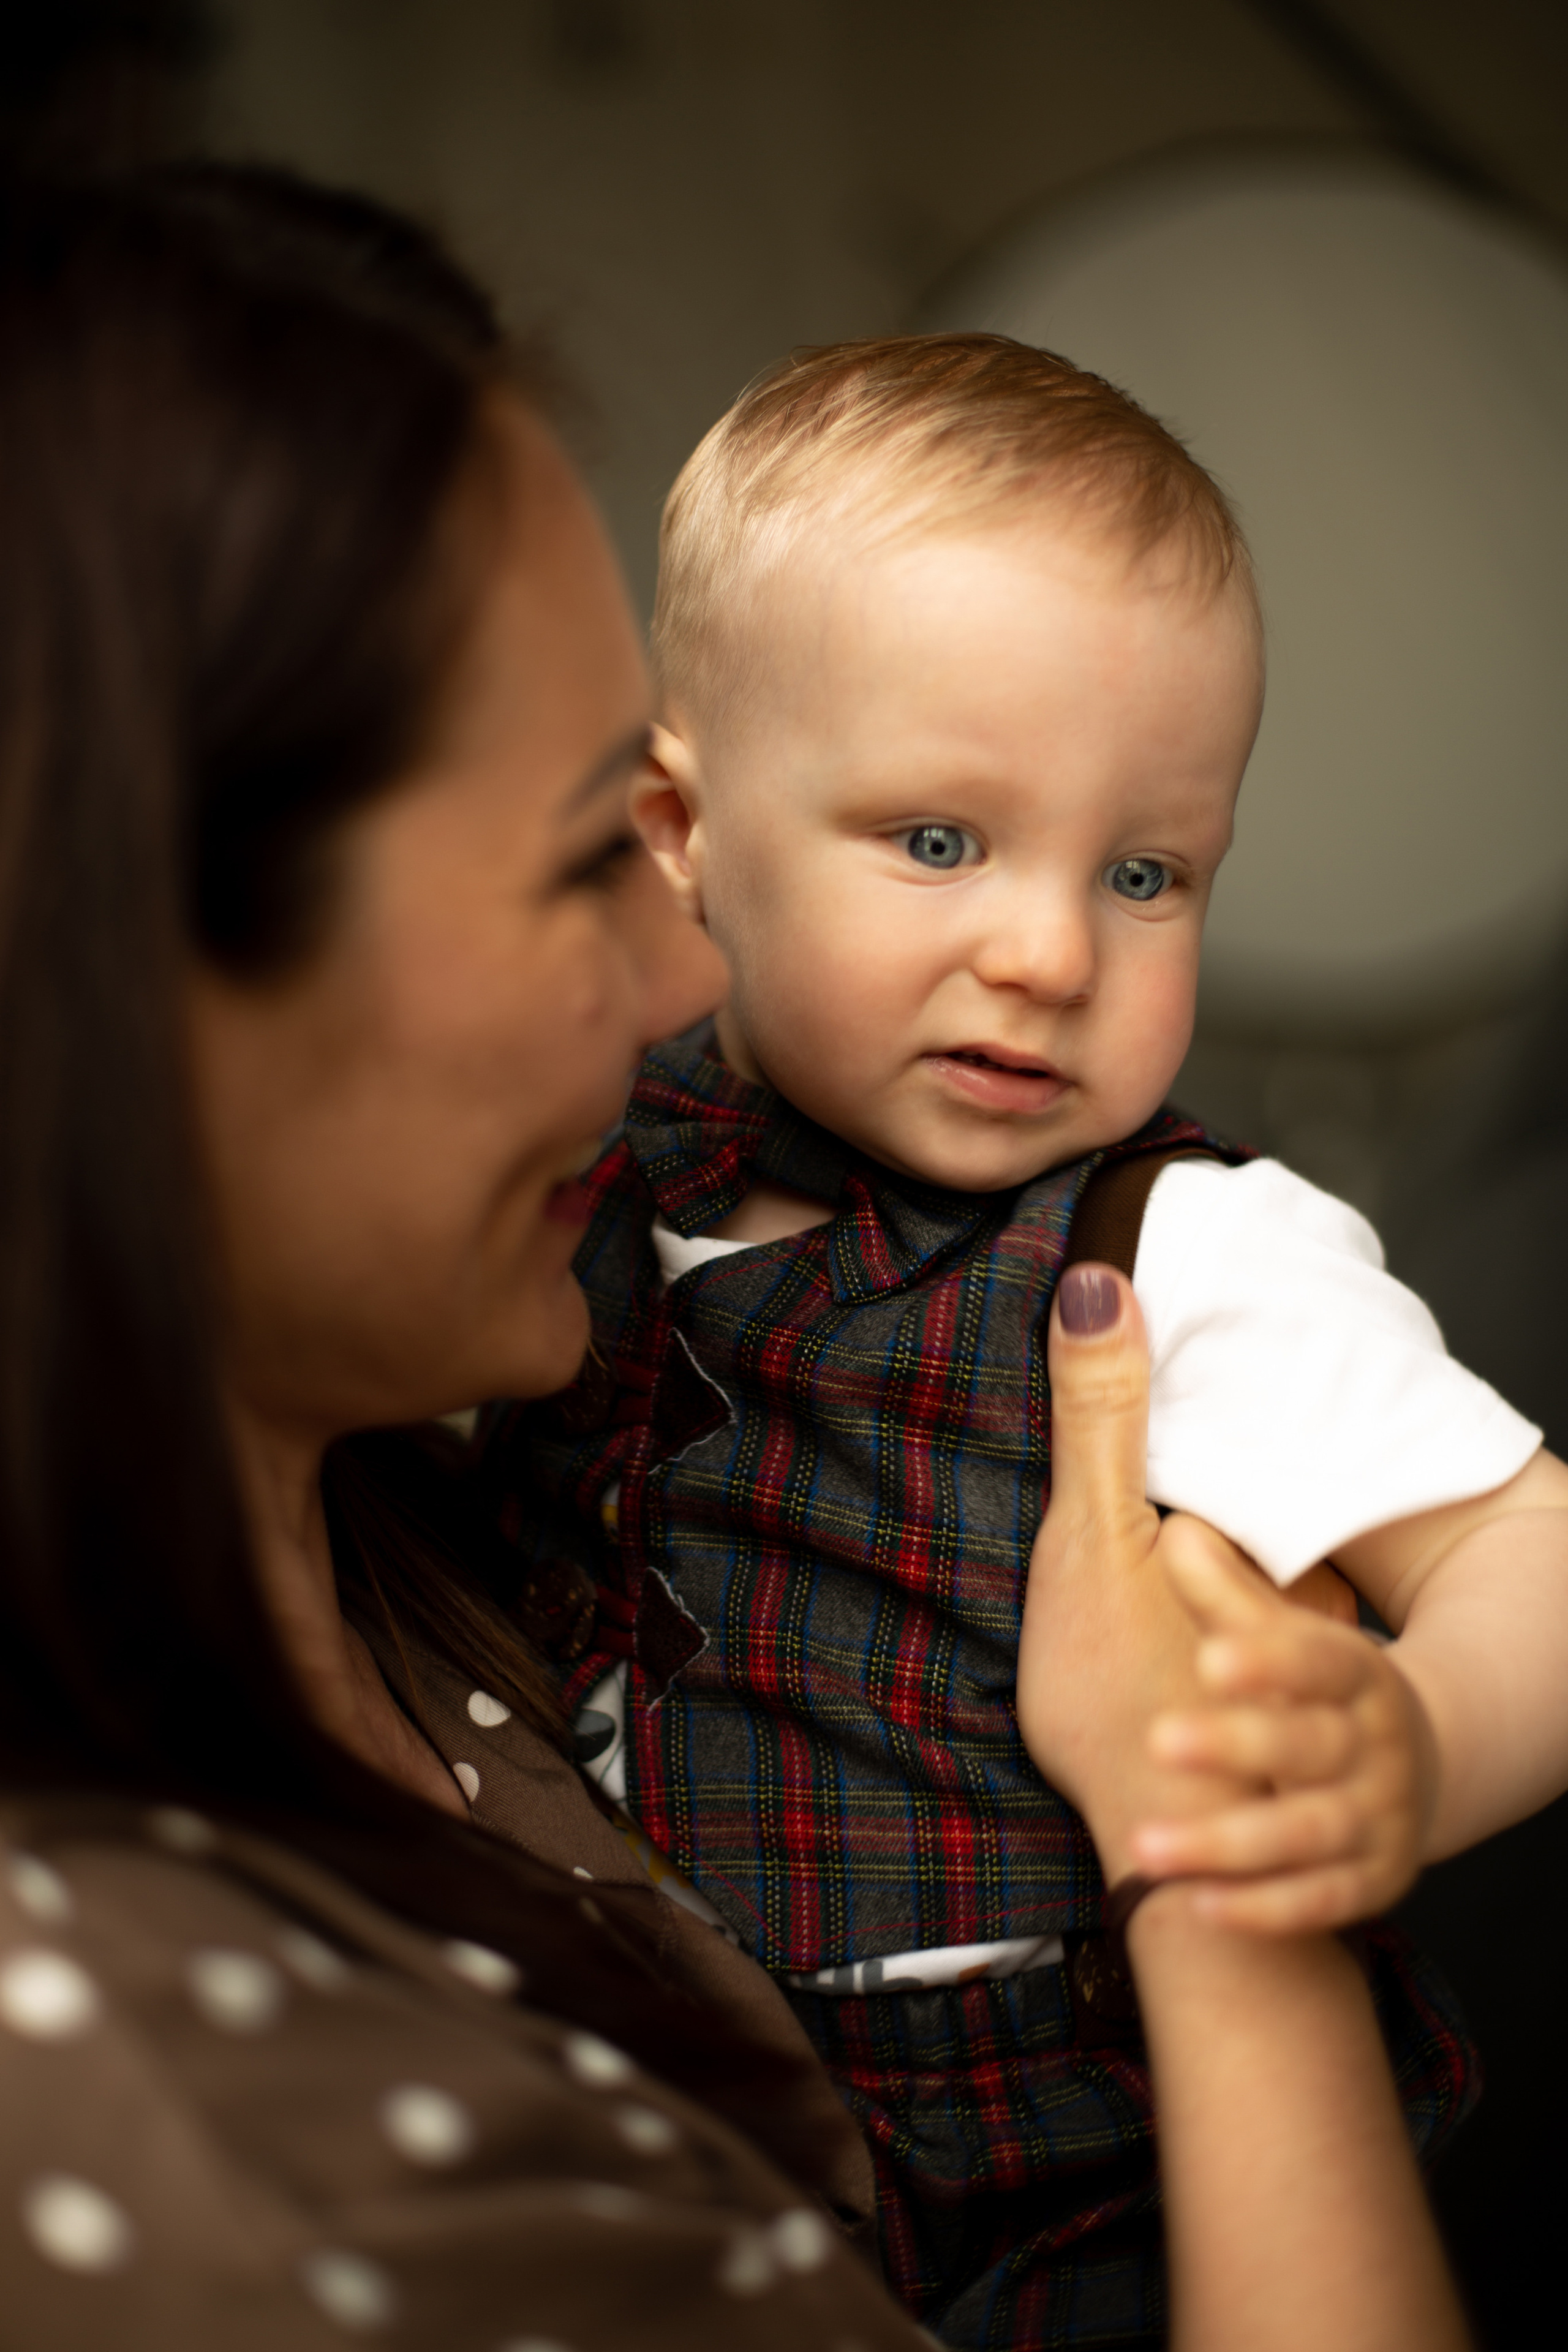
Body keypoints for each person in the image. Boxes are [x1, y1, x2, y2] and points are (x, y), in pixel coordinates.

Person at [0, 164, 1469, 2350]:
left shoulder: (402, 1512)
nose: (676, 982)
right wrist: (1222, 1916)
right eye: (594, 848)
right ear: (148, 976)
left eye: (1152, 871)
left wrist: (1351, 1762)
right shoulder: (191, 2104)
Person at [508, 334, 1568, 2340]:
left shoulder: (1185, 1249)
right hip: (670, 2124)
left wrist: (1407, 1752)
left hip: (1060, 2163)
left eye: (1146, 872)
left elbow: (1533, 1545)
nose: (1054, 951)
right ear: (680, 824)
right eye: (940, 841)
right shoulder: (573, 1175)